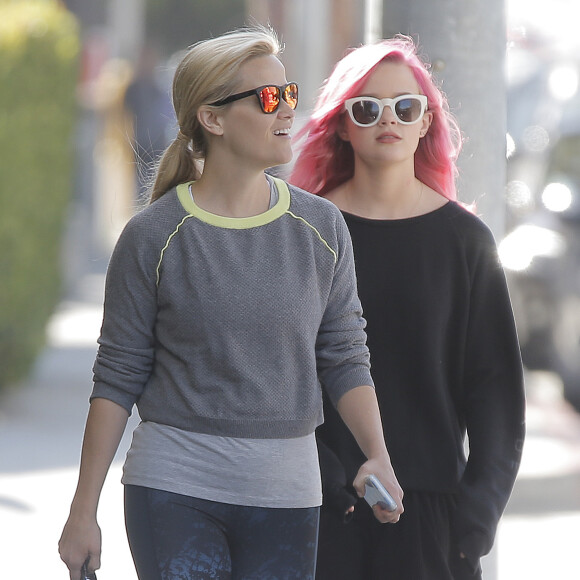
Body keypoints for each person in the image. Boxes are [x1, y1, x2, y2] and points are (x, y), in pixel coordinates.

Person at [58, 26, 404, 580]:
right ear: (212, 118)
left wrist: (376, 454)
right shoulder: (154, 236)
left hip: (287, 495)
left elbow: (343, 353)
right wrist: (83, 513)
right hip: (173, 489)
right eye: (268, 98)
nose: (286, 110)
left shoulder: (320, 228)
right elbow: (118, 376)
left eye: (289, 94)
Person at [290, 35, 526, 580]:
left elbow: (495, 393)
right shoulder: (306, 233)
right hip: (318, 511)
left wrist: (474, 523)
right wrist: (325, 480)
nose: (387, 119)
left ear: (426, 123)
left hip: (430, 520)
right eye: (367, 108)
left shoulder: (465, 240)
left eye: (406, 106)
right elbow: (281, 370)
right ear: (342, 125)